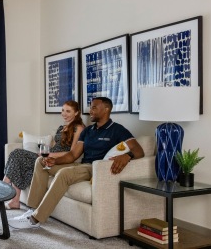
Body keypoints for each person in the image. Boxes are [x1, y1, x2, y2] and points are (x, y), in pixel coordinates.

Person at [8, 97, 144, 229]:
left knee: (63, 174)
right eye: (90, 107)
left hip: (94, 168)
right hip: (81, 165)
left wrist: (127, 155)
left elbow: (139, 151)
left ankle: (35, 219)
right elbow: (73, 155)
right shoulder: (88, 131)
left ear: (106, 109)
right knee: (40, 162)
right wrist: (54, 160)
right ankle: (32, 209)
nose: (90, 110)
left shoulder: (118, 130)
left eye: (94, 108)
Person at [2, 100, 85, 210]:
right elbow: (55, 146)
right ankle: (14, 201)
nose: (64, 114)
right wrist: (44, 151)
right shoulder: (62, 127)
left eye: (68, 111)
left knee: (17, 154)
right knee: (17, 157)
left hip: (59, 159)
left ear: (76, 113)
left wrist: (51, 154)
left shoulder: (79, 128)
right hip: (48, 155)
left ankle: (4, 185)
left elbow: (72, 153)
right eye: (63, 110)